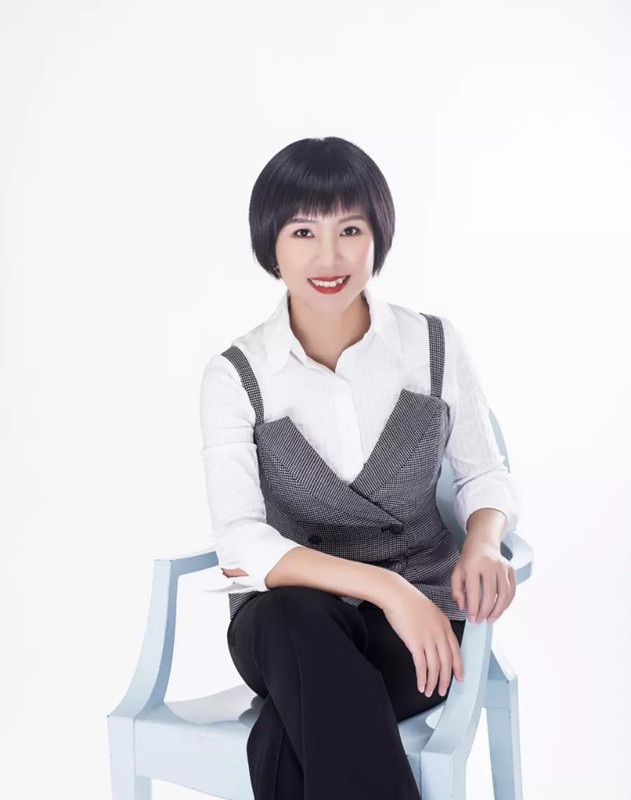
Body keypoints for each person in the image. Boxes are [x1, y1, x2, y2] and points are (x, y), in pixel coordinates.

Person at [198, 136, 520, 800]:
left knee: (287, 731)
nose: (329, 256)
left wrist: (484, 542)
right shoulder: (236, 375)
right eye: (303, 232)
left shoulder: (432, 344)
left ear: (378, 237)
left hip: (419, 624)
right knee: (292, 618)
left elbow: (483, 475)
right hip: (288, 622)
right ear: (271, 244)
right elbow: (241, 541)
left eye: (350, 229)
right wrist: (387, 590)